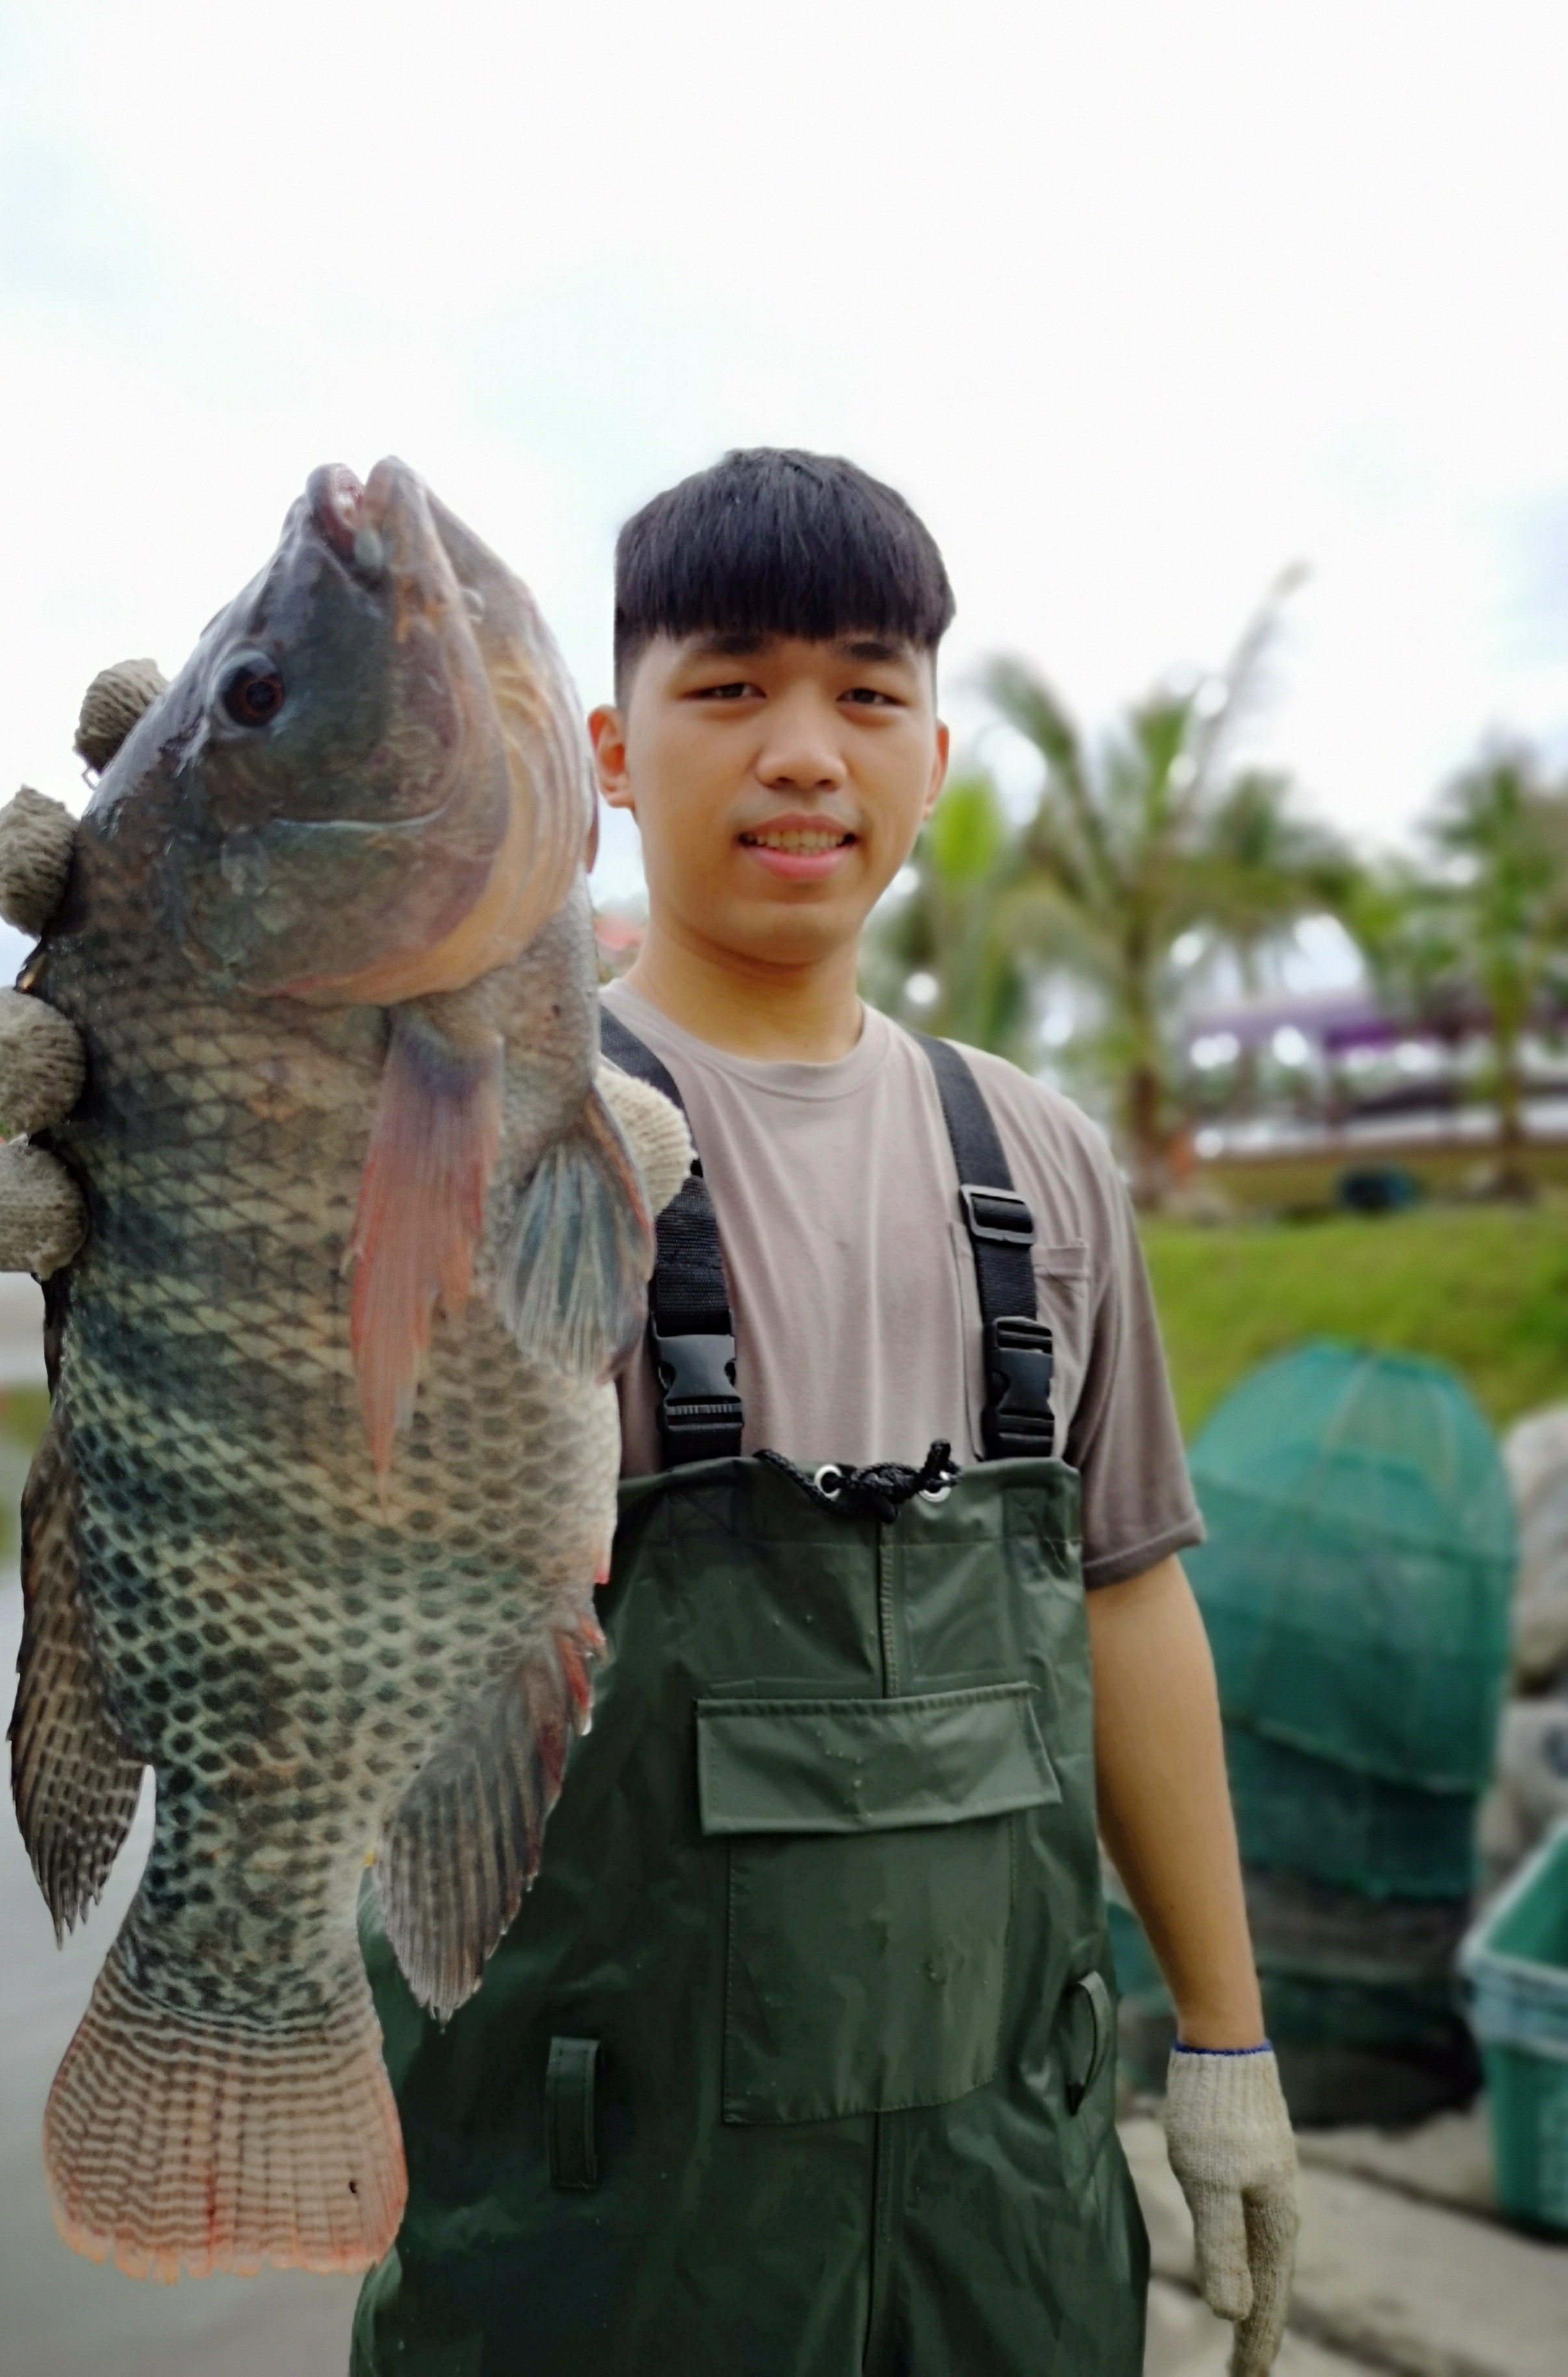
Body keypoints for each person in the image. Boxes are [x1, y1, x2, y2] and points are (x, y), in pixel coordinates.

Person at [350, 449, 1298, 2377]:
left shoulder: (1039, 1163)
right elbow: (289, 1504)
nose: (805, 751)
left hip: (1009, 2202)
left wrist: (1227, 2036)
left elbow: (1125, 1599)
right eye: (732, 689)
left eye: (869, 693)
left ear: (935, 758)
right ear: (611, 749)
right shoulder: (459, 1126)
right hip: (595, 2219)